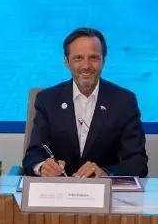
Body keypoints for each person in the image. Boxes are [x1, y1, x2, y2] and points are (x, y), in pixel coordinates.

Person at [22, 28, 148, 178]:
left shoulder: (124, 101)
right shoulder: (47, 100)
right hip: (58, 189)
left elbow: (138, 162)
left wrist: (105, 173)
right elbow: (33, 156)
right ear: (66, 61)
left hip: (105, 189)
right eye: (78, 58)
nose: (86, 66)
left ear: (103, 60)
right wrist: (42, 167)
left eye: (93, 58)